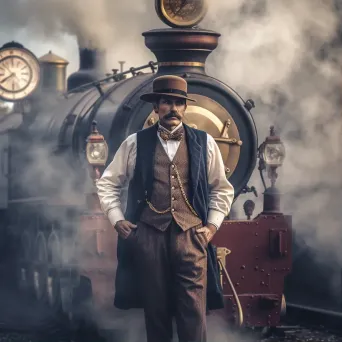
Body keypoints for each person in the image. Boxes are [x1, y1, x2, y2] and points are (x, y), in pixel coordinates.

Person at [96, 75, 234, 342]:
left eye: (178, 103)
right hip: (148, 235)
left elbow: (222, 188)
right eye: (167, 102)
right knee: (155, 310)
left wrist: (212, 227)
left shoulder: (205, 143)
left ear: (185, 107)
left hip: (192, 236)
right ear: (156, 107)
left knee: (193, 309)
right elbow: (108, 184)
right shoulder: (135, 143)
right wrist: (117, 219)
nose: (173, 108)